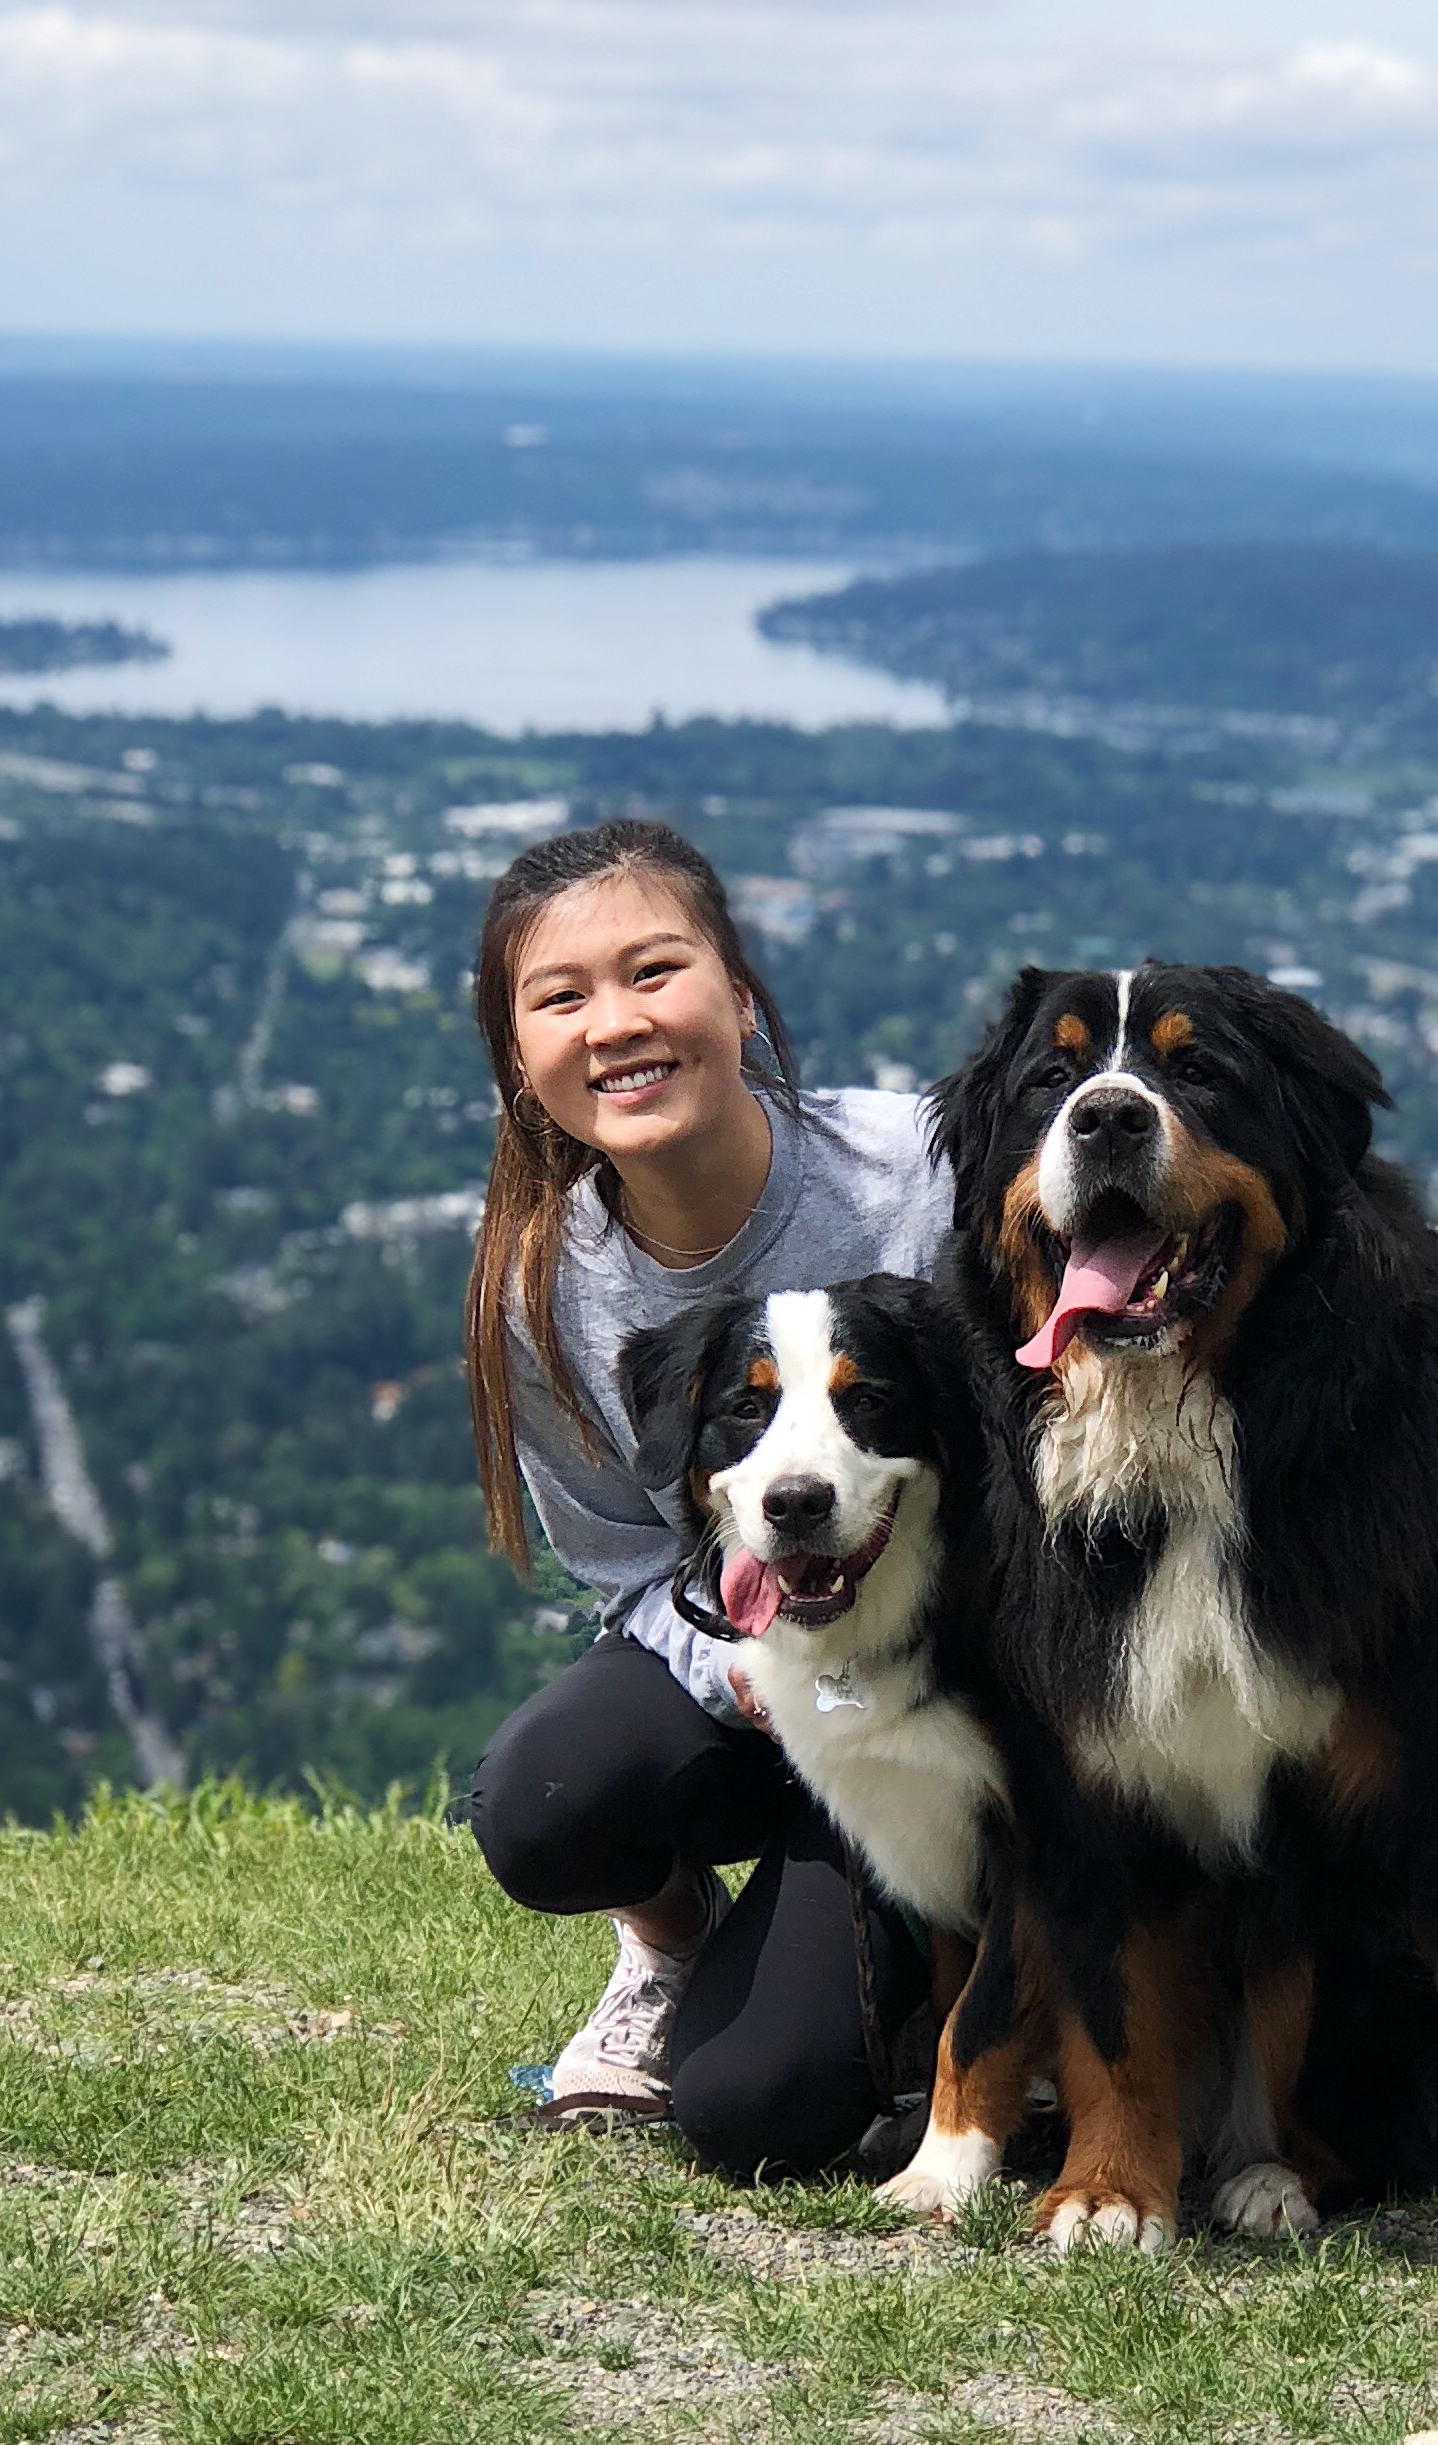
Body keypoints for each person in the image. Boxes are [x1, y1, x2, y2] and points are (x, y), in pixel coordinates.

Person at [461, 816, 952, 2179]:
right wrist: (744, 1670)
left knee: (753, 2107)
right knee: (545, 1797)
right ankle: (671, 1947)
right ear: (518, 1056)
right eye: (560, 997)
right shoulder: (541, 1285)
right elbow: (626, 1563)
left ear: (739, 992)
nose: (614, 1024)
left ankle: (921, 1966)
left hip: (943, 1698)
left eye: (654, 971)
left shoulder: (921, 1172)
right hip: (752, 1666)